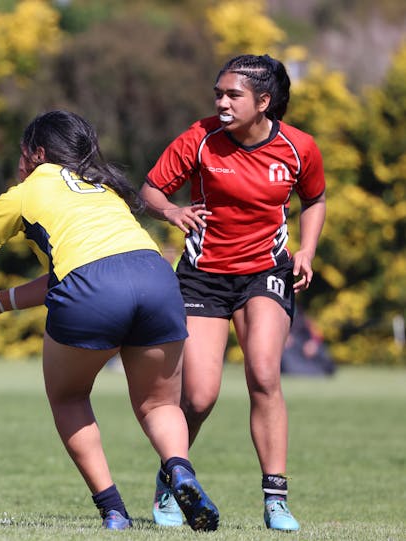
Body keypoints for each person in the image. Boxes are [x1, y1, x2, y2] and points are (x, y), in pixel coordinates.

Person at [0, 110, 219, 531]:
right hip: (156, 278)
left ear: (37, 153)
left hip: (93, 288)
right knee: (159, 403)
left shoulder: (24, 192)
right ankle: (179, 468)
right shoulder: (102, 186)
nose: (19, 163)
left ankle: (113, 509)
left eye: (22, 154)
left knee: (69, 398)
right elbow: (70, 272)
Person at [140, 54, 326, 532]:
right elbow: (151, 190)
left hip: (266, 272)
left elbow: (315, 199)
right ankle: (172, 480)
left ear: (263, 102)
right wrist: (172, 213)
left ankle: (276, 500)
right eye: (218, 93)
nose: (221, 102)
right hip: (203, 278)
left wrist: (307, 250)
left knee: (264, 374)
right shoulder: (198, 138)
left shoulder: (298, 147)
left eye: (233, 95)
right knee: (199, 397)